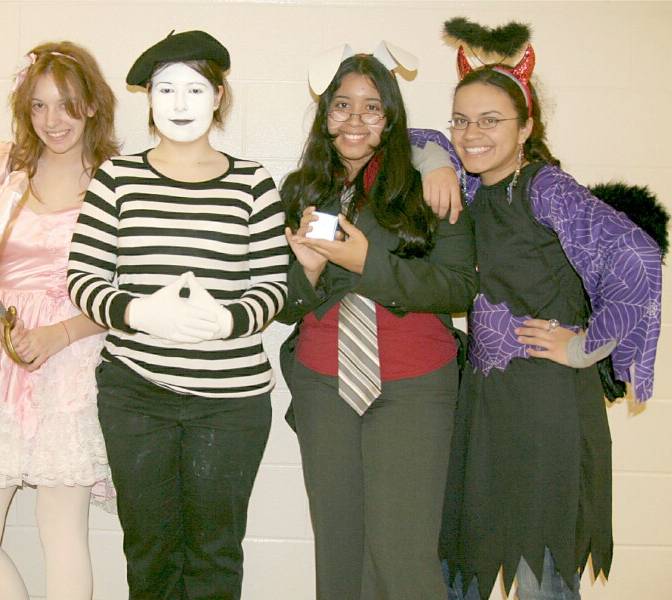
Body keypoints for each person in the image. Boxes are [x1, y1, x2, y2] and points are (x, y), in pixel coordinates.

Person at [438, 19, 664, 599]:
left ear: (526, 126)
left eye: (490, 120)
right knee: (467, 564)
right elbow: (412, 137)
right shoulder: (472, 186)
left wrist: (586, 346)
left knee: (542, 575)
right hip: (485, 404)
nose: (470, 134)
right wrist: (434, 160)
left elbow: (637, 254)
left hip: (547, 408)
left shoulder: (544, 187)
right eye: (461, 119)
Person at [66, 30, 289, 599]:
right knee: (150, 551)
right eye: (166, 90)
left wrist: (228, 321)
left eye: (195, 89)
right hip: (136, 395)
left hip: (231, 402)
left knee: (216, 554)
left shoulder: (253, 182)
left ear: (219, 96)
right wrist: (139, 312)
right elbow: (83, 279)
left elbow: (272, 285)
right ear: (149, 99)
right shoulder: (116, 178)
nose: (181, 103)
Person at [276, 46, 478, 599]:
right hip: (324, 382)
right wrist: (308, 273)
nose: (355, 120)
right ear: (326, 114)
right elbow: (284, 303)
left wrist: (369, 264)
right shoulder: (301, 190)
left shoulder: (430, 183)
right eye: (343, 105)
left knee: (402, 559)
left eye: (372, 107)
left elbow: (459, 287)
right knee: (339, 554)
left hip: (414, 382)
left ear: (390, 117)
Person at [0, 41, 117, 600]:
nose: (52, 120)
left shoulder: (116, 182)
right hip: (4, 353)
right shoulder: (0, 171)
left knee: (61, 532)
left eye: (65, 104)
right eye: (38, 105)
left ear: (92, 105)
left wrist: (58, 334)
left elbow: (127, 290)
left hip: (75, 359)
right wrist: (3, 325)